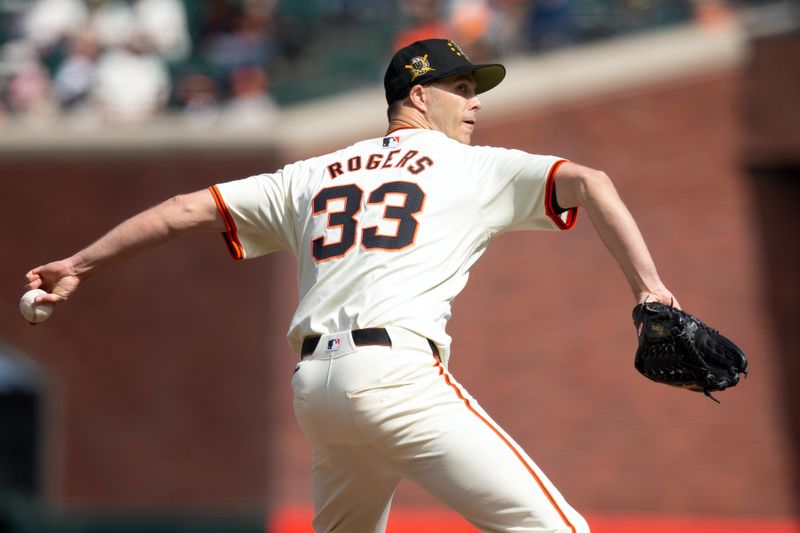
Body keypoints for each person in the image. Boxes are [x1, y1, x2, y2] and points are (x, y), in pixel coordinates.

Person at [24, 38, 677, 533]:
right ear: (418, 95)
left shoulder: (312, 172)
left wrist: (78, 264)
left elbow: (182, 208)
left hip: (319, 392)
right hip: (396, 375)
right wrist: (650, 290)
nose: (475, 101)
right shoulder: (472, 166)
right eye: (460, 87)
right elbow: (591, 182)